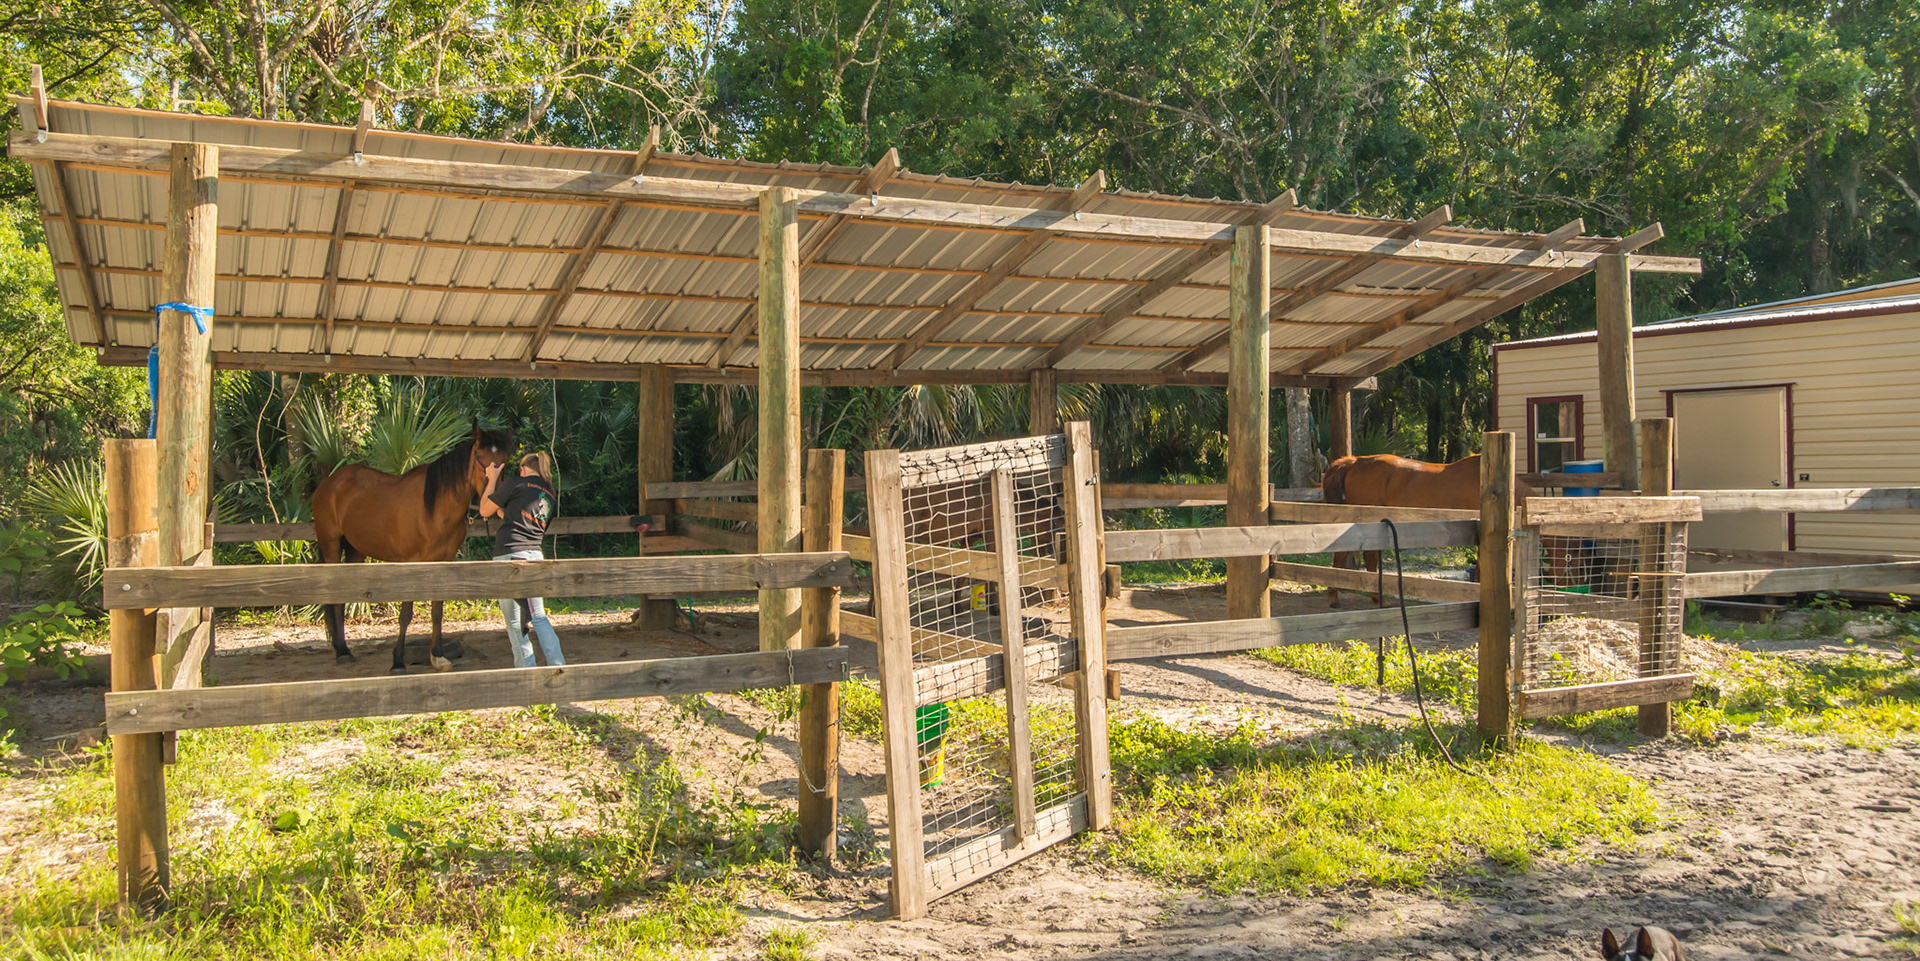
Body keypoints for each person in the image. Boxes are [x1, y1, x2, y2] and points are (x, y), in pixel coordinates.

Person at [479, 451, 565, 668]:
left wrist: (492, 478)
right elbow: (519, 517)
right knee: (539, 616)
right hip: (535, 555)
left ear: (524, 469)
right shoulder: (549, 495)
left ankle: (526, 672)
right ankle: (558, 666)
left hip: (509, 554)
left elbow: (484, 510)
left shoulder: (516, 483)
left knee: (515, 622)